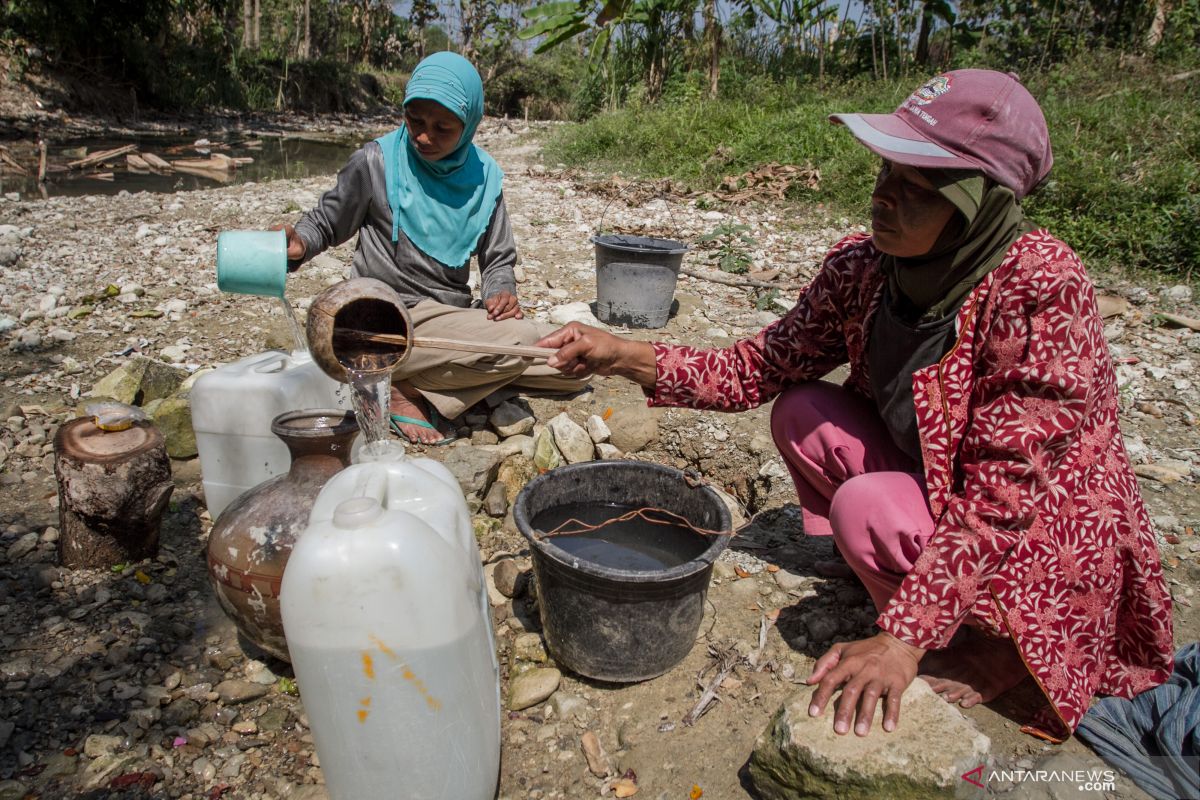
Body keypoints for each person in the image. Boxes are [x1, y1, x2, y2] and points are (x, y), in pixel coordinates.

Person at [536, 69, 1174, 741]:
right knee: (801, 409)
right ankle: (898, 571)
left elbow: (1003, 499)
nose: (882, 201)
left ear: (974, 206)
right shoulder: (864, 267)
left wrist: (902, 641)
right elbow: (760, 367)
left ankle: (994, 644)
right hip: (940, 481)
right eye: (883, 175)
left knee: (864, 507)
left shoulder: (1040, 288)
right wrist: (624, 355)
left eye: (914, 189)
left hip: (1036, 535)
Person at [277, 51, 586, 444]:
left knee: (574, 363)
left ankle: (406, 375)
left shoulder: (484, 178)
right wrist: (298, 244)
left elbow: (498, 258)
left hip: (448, 316)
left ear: (469, 123)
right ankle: (412, 392)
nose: (424, 137)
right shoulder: (377, 161)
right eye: (415, 121)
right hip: (382, 319)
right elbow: (325, 221)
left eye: (443, 128)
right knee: (520, 347)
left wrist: (500, 291)